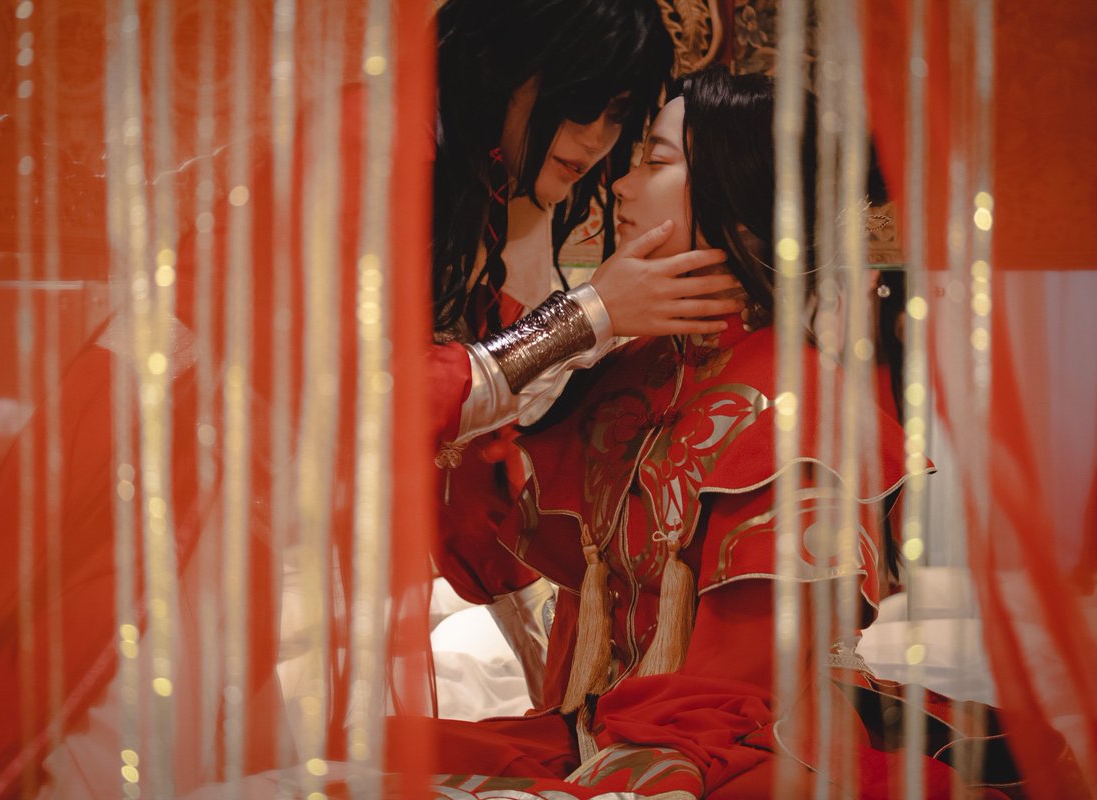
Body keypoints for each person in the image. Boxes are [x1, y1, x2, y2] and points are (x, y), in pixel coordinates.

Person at [408, 66, 1070, 797]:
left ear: (741, 196)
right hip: (601, 729)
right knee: (361, 751)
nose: (619, 186)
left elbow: (742, 692)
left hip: (730, 740)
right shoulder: (635, 364)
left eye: (655, 161)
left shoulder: (796, 409)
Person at [425, 0, 743, 708]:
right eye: (582, 104)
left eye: (640, 144)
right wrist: (589, 316)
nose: (606, 157)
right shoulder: (432, 166)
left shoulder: (781, 395)